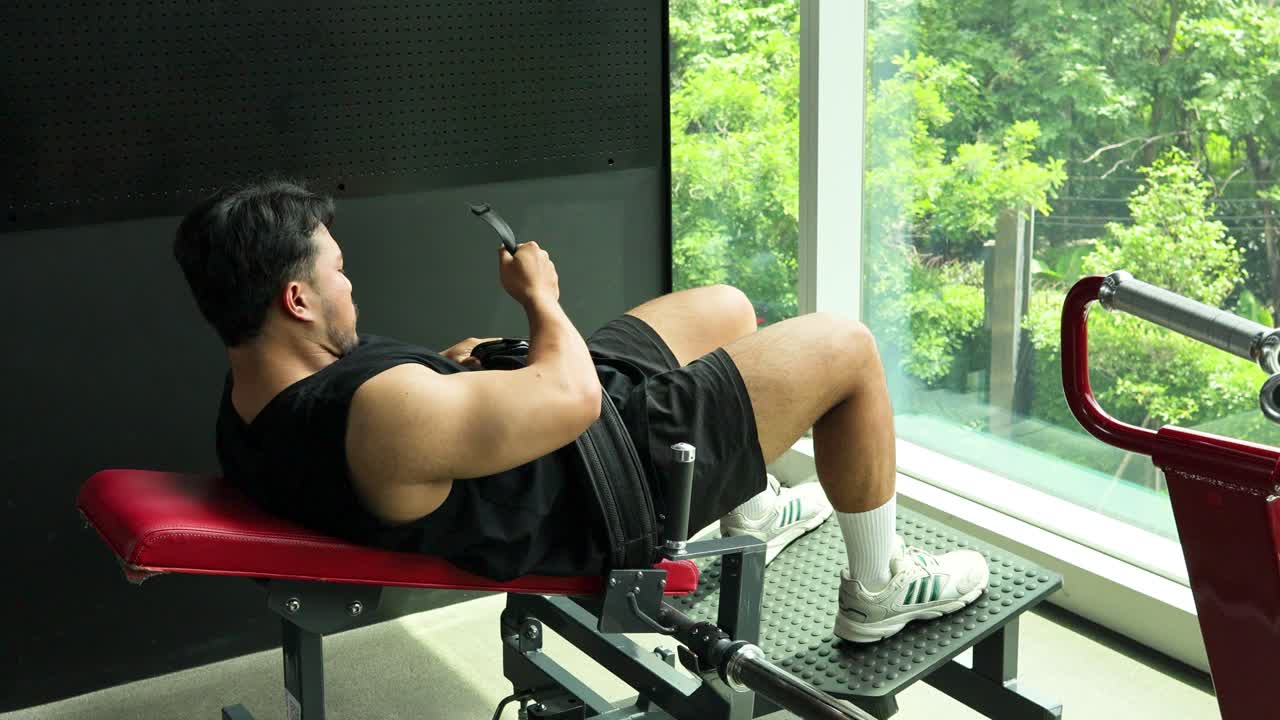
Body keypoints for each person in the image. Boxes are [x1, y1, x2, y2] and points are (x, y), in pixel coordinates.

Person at [173, 179, 989, 643]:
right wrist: (541, 304)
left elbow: (401, 420)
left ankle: (759, 515)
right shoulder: (382, 418)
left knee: (728, 306)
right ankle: (879, 591)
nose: (352, 284)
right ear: (297, 298)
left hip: (563, 441)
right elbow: (571, 397)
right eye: (339, 272)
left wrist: (451, 368)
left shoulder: (253, 394)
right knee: (846, 346)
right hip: (608, 483)